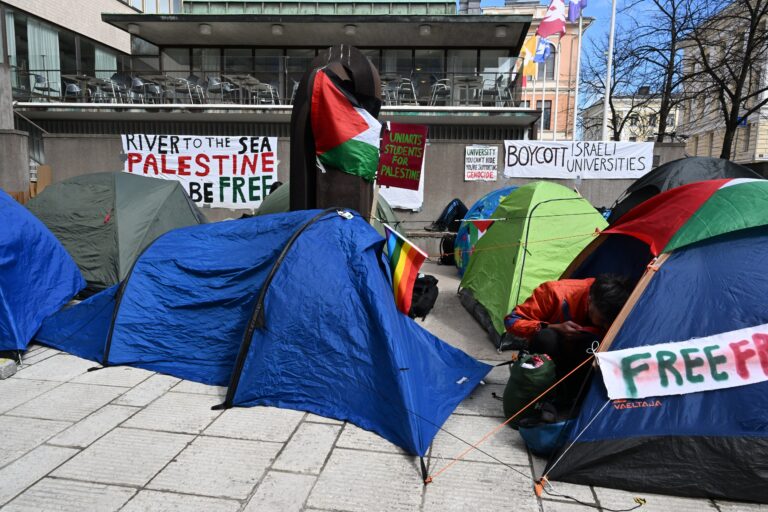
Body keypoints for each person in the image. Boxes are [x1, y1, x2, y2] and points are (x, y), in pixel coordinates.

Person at [503, 274, 633, 380]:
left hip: (583, 360)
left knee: (593, 343)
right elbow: (511, 321)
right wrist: (552, 327)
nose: (605, 325)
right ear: (590, 300)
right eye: (603, 320)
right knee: (546, 337)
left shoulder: (618, 302)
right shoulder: (555, 292)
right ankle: (545, 390)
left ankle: (574, 394)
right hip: (551, 356)